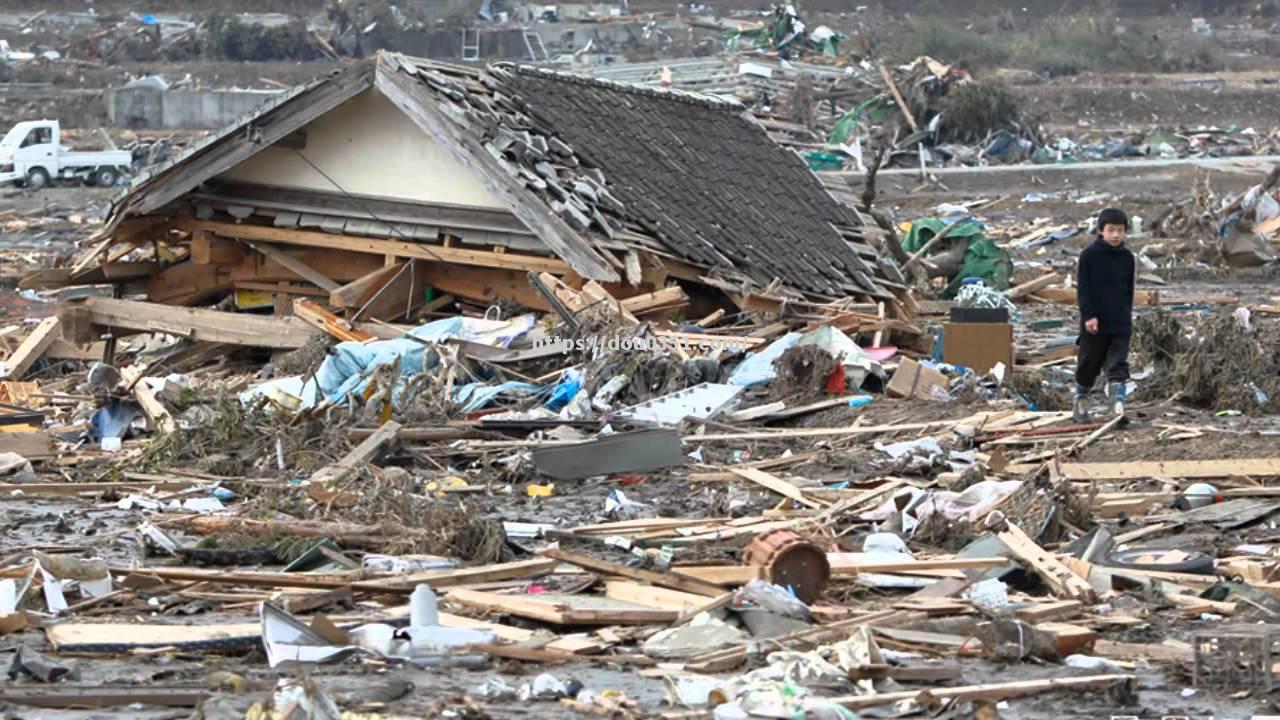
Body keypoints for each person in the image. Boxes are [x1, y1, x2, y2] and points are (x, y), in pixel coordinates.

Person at [1074, 207, 1135, 423]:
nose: (1116, 235)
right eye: (1111, 230)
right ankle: (1081, 401)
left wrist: (1127, 318)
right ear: (1101, 231)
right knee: (1089, 364)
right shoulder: (1089, 256)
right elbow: (1084, 290)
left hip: (1119, 322)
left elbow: (1128, 291)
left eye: (1120, 230)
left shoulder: (1127, 258)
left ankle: (1117, 408)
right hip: (1094, 323)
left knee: (1118, 365)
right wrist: (1089, 315)